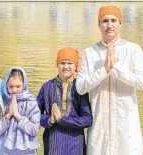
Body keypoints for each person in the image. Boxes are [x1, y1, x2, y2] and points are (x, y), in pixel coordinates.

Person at [76, 5, 143, 155]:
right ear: (99, 24)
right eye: (105, 21)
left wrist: (115, 68)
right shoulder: (89, 53)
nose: (109, 25)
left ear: (120, 23)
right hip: (100, 126)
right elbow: (80, 87)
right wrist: (103, 70)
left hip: (126, 127)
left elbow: (141, 82)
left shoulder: (133, 50)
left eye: (114, 20)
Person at [37, 47, 92, 155]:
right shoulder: (47, 87)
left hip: (75, 143)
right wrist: (50, 120)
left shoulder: (80, 88)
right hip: (53, 140)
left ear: (76, 66)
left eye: (69, 63)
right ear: (57, 65)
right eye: (62, 63)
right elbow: (34, 114)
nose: (66, 66)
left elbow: (88, 119)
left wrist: (62, 119)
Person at [0, 67, 41, 155]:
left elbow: (34, 130)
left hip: (26, 151)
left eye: (18, 86)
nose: (14, 90)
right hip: (4, 149)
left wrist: (18, 116)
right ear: (6, 85)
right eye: (11, 86)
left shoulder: (31, 102)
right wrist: (8, 116)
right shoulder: (2, 101)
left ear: (24, 85)